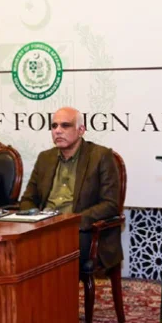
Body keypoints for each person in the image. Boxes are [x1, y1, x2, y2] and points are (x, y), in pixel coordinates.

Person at [19, 107, 122, 271]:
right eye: (54, 126)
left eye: (65, 125)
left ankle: (54, 288)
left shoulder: (101, 156)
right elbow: (27, 200)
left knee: (50, 253)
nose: (58, 131)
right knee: (16, 251)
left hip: (81, 230)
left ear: (81, 130)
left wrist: (72, 221)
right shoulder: (45, 158)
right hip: (45, 227)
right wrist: (37, 218)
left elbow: (110, 204)